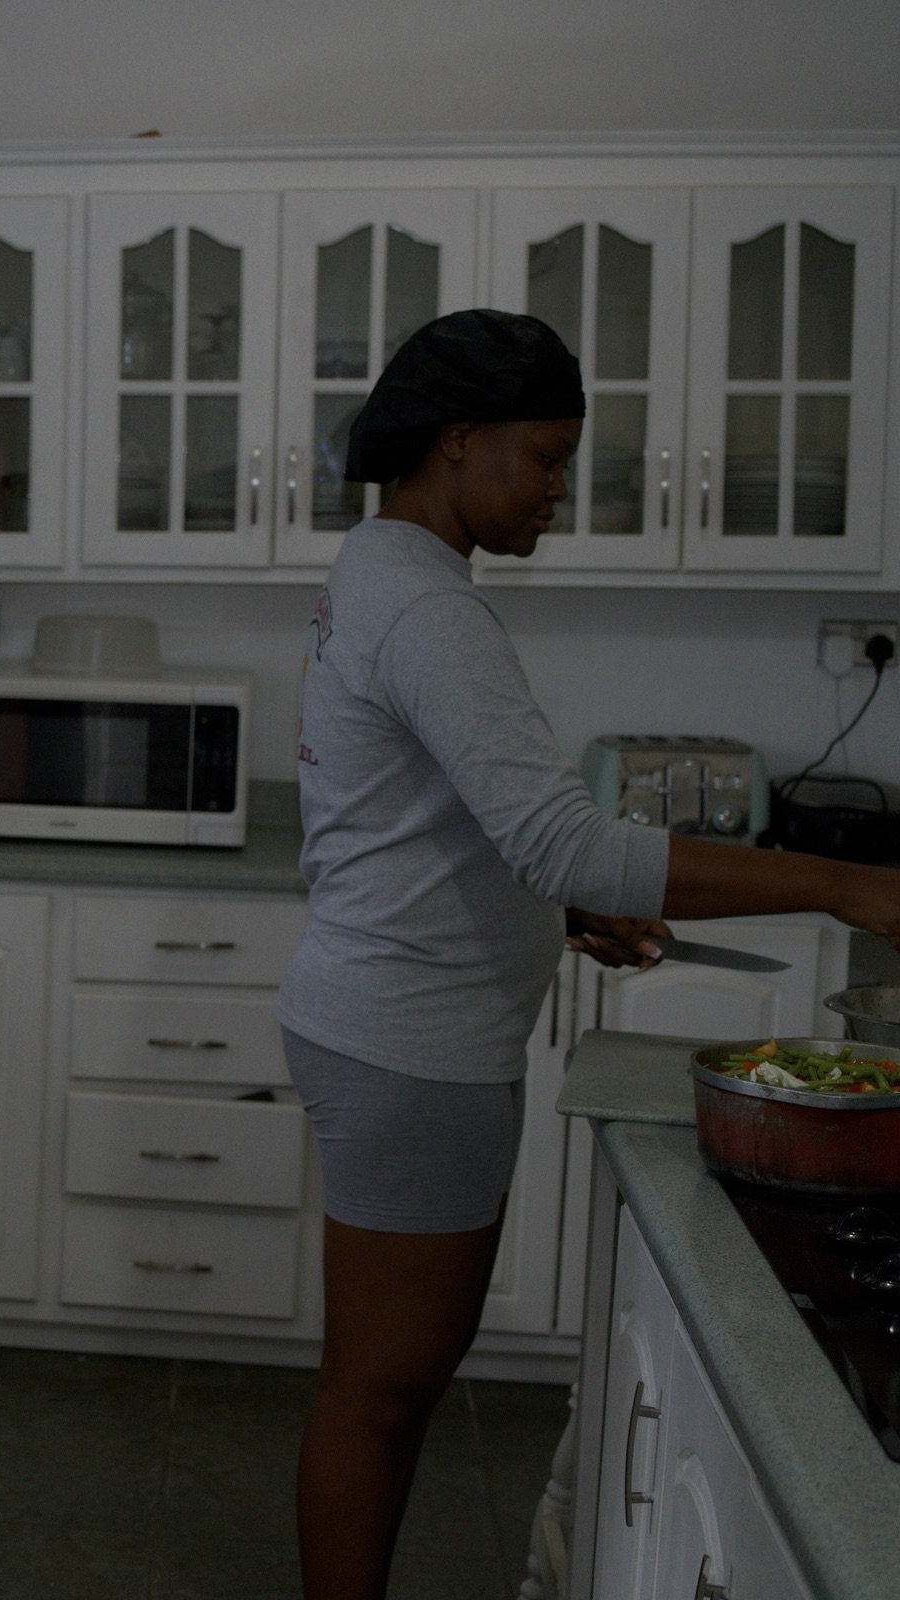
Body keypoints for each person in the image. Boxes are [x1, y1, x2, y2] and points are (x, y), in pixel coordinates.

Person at [277, 308, 900, 1600]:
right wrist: (852, 886)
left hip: (388, 1017)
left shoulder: (384, 571)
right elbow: (567, 840)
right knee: (378, 1399)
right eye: (546, 458)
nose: (561, 489)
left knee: (378, 1391)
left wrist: (547, 913)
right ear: (460, 443)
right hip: (413, 1044)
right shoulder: (428, 611)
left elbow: (409, 823)